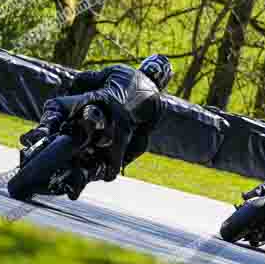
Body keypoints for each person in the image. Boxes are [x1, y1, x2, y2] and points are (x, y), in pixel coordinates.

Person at [18, 54, 172, 200]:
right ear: (164, 80)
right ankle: (85, 174)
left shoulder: (122, 69)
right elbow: (141, 140)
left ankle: (43, 130)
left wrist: (72, 92)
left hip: (98, 100)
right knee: (111, 171)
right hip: (121, 129)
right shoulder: (157, 103)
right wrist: (123, 161)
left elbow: (84, 78)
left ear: (144, 65)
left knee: (56, 104)